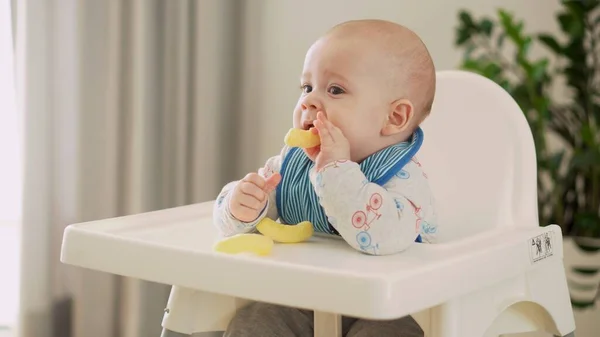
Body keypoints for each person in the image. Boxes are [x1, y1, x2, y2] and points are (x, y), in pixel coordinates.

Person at [213, 19, 438, 337]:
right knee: (255, 321)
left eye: (335, 90)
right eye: (307, 87)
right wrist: (242, 207)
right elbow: (249, 220)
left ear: (394, 117)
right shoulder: (291, 165)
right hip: (304, 297)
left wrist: (336, 171)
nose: (308, 101)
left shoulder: (402, 178)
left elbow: (382, 236)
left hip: (389, 306)